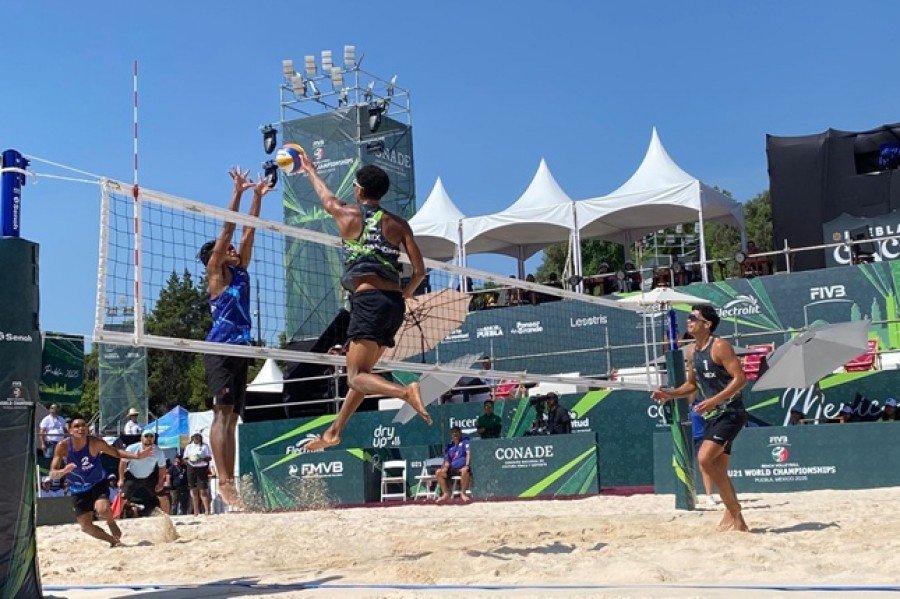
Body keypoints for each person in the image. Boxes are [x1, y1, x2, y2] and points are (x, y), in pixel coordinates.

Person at [301, 162, 432, 451]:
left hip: (368, 301)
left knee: (356, 377)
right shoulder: (399, 224)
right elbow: (420, 271)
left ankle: (405, 391)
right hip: (393, 305)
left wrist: (309, 169)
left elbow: (325, 197)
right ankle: (335, 430)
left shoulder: (347, 214)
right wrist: (406, 294)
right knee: (364, 375)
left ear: (359, 189)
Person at [199, 167, 272, 506]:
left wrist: (256, 196)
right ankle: (225, 481)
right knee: (220, 413)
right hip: (219, 347)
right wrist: (238, 192)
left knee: (231, 418)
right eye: (223, 249)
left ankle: (230, 480)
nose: (230, 249)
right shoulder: (217, 273)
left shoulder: (240, 271)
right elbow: (229, 228)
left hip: (241, 349)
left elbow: (247, 231)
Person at [652, 304, 749, 532]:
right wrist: (669, 394)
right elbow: (691, 385)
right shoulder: (694, 351)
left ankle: (736, 513)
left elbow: (741, 378)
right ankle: (735, 517)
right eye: (689, 317)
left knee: (704, 459)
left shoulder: (720, 346)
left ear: (707, 324)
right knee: (719, 469)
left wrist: (714, 400)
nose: (689, 321)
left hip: (730, 412)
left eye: (693, 318)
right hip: (714, 415)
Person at [49, 418, 153, 546]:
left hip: (97, 482)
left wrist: (137, 456)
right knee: (86, 527)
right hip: (77, 489)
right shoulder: (63, 446)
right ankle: (112, 541)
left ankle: (110, 521)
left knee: (102, 509)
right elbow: (52, 473)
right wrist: (62, 472)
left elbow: (116, 452)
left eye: (83, 425)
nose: (81, 428)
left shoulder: (94, 442)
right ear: (70, 430)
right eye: (76, 426)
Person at [119, 430, 169, 515]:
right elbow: (123, 463)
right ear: (141, 438)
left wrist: (160, 482)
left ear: (154, 439)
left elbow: (162, 468)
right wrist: (121, 478)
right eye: (146, 436)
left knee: (163, 497)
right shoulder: (132, 448)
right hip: (132, 476)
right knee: (122, 497)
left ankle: (167, 518)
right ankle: (115, 519)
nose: (149, 439)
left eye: (151, 437)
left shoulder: (158, 451)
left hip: (149, 477)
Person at [435, 427, 471, 503]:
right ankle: (445, 494)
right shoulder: (450, 446)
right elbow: (447, 460)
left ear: (460, 433)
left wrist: (467, 465)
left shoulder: (465, 441)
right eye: (453, 432)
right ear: (451, 435)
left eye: (456, 432)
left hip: (462, 467)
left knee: (465, 470)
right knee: (438, 472)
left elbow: (468, 453)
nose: (455, 434)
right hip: (452, 469)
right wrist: (445, 468)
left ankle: (463, 493)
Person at [182, 432, 213, 515]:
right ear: (192, 437)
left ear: (200, 437)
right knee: (193, 490)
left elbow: (209, 457)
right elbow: (184, 458)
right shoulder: (189, 447)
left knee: (203, 490)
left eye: (198, 436)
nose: (196, 438)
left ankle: (207, 510)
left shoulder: (204, 446)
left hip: (202, 468)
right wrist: (190, 460)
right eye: (195, 436)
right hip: (191, 468)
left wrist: (201, 459)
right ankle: (196, 511)